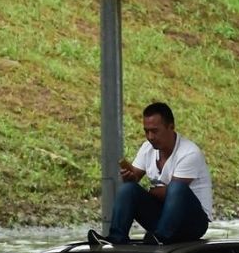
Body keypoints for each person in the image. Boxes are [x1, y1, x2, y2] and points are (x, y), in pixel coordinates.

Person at [88, 102, 212, 245]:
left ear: (171, 127)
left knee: (176, 188)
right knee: (128, 189)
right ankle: (116, 238)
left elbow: (171, 194)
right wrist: (130, 178)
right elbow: (135, 179)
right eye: (146, 131)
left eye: (155, 131)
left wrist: (152, 191)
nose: (150, 137)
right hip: (163, 218)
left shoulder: (189, 153)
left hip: (192, 223)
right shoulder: (147, 148)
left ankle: (161, 237)